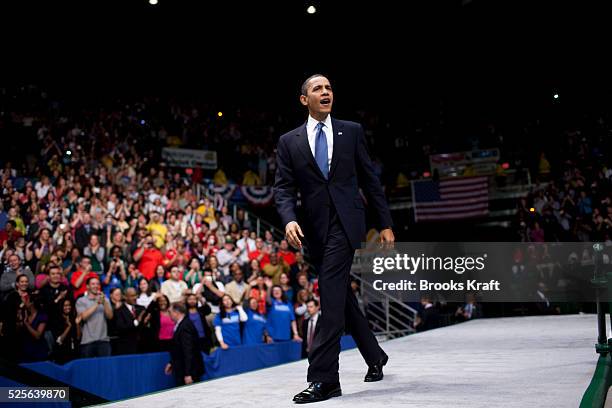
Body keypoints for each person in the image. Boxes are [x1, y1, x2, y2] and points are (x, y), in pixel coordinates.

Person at [274, 74, 394, 403]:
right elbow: (283, 188)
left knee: (329, 298)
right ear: (304, 99)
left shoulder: (351, 131)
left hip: (347, 223)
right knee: (340, 297)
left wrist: (384, 223)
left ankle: (325, 378)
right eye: (318, 89)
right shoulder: (289, 141)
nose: (325, 92)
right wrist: (288, 220)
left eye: (328, 88)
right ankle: (375, 356)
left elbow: (370, 179)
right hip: (313, 231)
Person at [164, 302, 205, 385]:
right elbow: (179, 349)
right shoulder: (181, 325)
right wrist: (172, 362)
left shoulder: (185, 326)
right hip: (183, 368)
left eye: (170, 312)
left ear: (176, 312)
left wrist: (188, 374)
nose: (169, 314)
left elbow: (188, 351)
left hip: (189, 371)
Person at [75, 276, 114, 357]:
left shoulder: (105, 300)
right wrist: (97, 303)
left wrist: (105, 302)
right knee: (89, 368)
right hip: (88, 341)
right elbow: (83, 317)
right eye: (93, 284)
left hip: (104, 340)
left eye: (97, 284)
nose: (96, 286)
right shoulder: (81, 301)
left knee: (105, 367)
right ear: (87, 286)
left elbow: (110, 317)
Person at [114, 287, 146, 355]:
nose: (135, 297)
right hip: (127, 348)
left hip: (142, 347)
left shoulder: (142, 309)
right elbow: (121, 328)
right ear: (125, 297)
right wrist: (137, 322)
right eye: (132, 296)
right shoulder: (119, 311)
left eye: (135, 295)